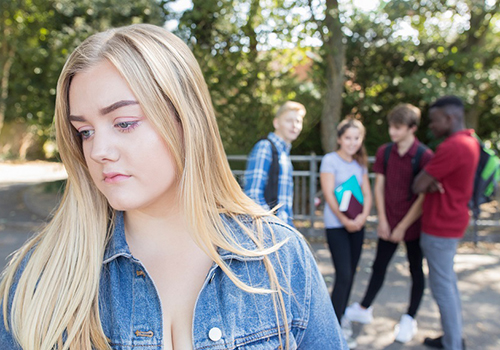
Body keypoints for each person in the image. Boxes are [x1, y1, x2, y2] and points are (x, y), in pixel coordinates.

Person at [0, 24, 347, 349]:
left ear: (186, 120)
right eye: (84, 131)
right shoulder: (39, 278)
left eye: (124, 123)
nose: (98, 151)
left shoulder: (280, 257)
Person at [345, 104, 433, 343]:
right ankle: (364, 308)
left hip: (412, 224)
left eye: (398, 128)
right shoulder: (385, 152)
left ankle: (409, 318)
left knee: (416, 270)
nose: (392, 132)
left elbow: (424, 196)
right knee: (379, 266)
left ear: (412, 128)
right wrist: (382, 220)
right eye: (391, 127)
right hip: (388, 221)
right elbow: (380, 186)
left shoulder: (424, 156)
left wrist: (404, 226)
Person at [413, 96, 479, 350]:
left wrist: (429, 181)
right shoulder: (471, 142)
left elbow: (418, 184)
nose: (431, 126)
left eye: (435, 120)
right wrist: (432, 181)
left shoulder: (453, 146)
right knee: (447, 283)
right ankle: (452, 337)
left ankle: (453, 344)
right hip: (452, 221)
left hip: (440, 226)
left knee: (443, 289)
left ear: (450, 118)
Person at [320, 118, 373, 349]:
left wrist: (362, 218)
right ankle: (332, 322)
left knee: (350, 275)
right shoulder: (330, 160)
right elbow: (329, 193)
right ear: (340, 138)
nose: (352, 142)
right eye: (348, 137)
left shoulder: (360, 164)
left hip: (357, 226)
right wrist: (344, 220)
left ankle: (339, 318)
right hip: (336, 226)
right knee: (342, 275)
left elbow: (367, 194)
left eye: (357, 138)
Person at [244, 101, 306, 227]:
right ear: (276, 123)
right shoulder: (265, 147)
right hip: (268, 228)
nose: (294, 125)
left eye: (298, 121)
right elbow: (253, 193)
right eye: (289, 120)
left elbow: (285, 204)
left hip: (282, 227)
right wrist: (273, 226)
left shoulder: (284, 153)